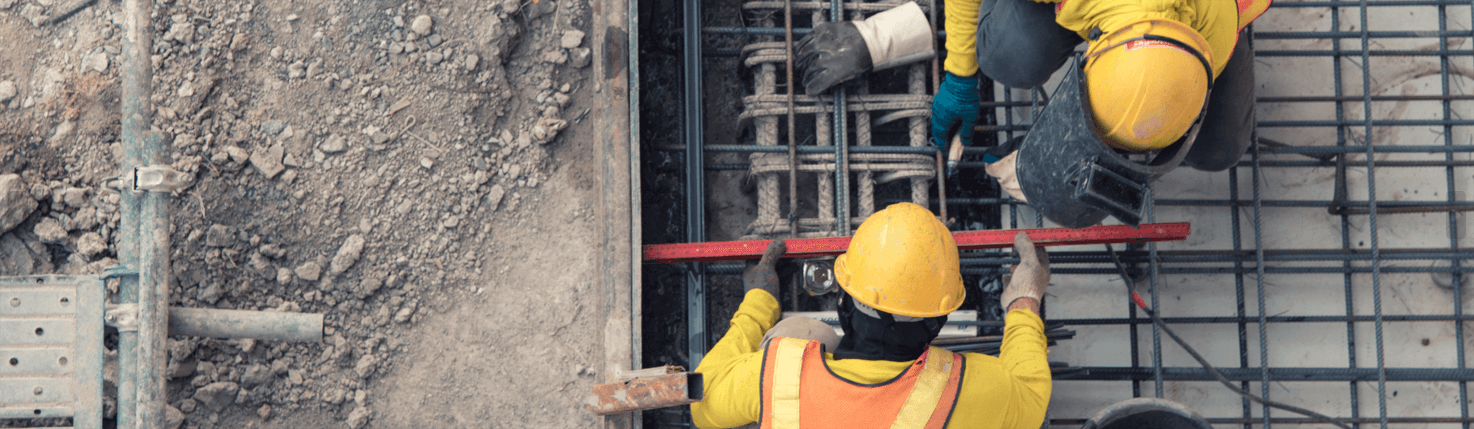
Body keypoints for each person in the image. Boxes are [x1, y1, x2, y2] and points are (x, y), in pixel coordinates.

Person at [691, 202, 1053, 428]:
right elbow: (1031, 398)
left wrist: (757, 302)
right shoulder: (969, 387)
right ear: (938, 322)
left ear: (843, 307)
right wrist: (1024, 298)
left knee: (804, 332)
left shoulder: (780, 374)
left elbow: (701, 403)